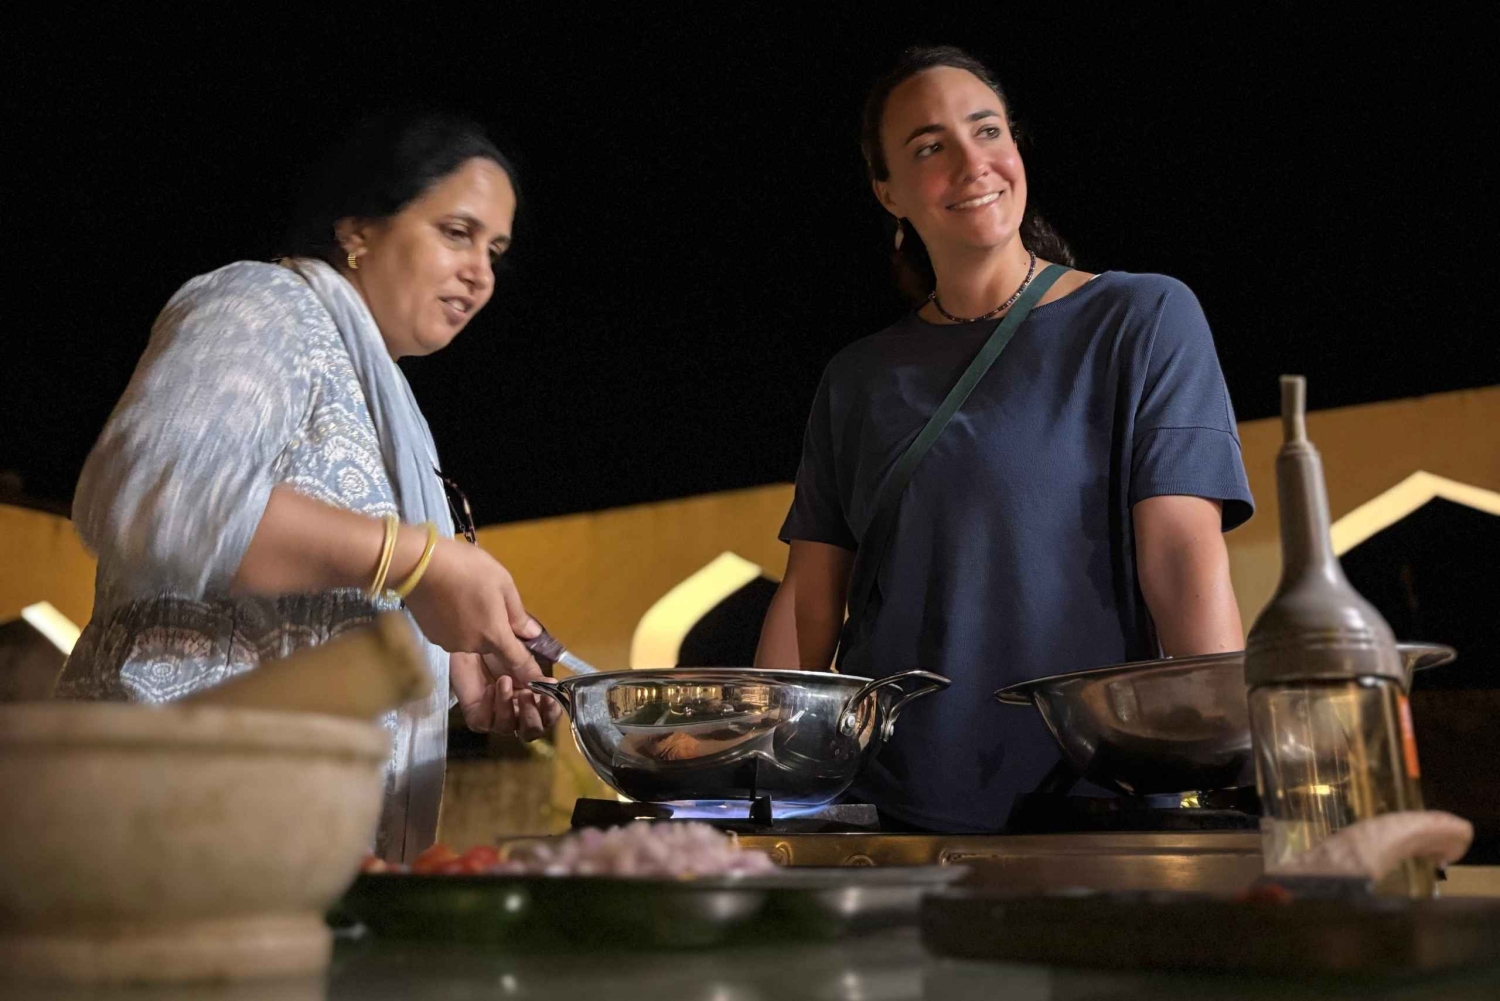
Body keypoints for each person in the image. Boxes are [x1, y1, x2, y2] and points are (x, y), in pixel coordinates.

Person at [755, 47, 1255, 833]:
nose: (970, 161)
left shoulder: (1141, 320)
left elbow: (1183, 558)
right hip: (891, 809)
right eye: (928, 146)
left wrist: (1223, 770)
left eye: (986, 130)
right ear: (888, 192)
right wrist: (757, 761)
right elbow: (811, 598)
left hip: (1089, 800)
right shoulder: (857, 378)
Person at [56, 111, 561, 862]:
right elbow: (146, 492)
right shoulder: (260, 306)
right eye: (456, 232)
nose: (481, 273)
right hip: (168, 836)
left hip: (304, 859)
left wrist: (453, 669)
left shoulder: (390, 411)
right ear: (357, 228)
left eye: (495, 250)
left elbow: (317, 599)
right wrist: (421, 561)